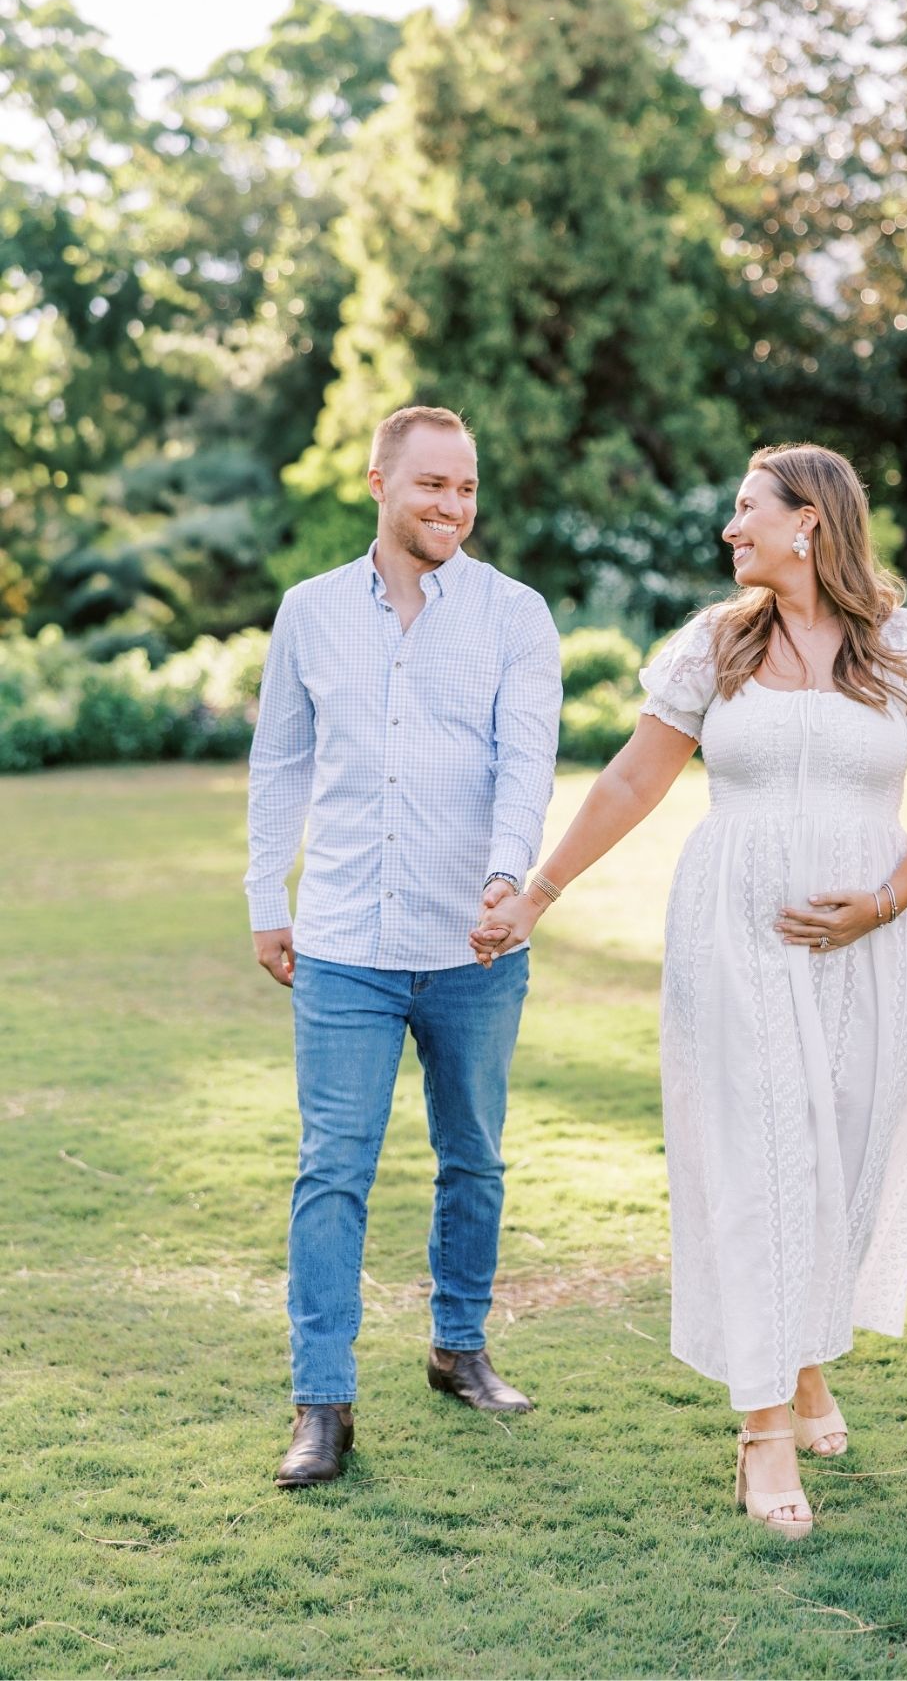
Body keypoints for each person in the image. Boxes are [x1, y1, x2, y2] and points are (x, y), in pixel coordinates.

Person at [471, 442, 907, 1539]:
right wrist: (542, 890)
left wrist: (882, 900)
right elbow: (633, 776)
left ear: (809, 521)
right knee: (757, 1157)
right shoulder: (716, 643)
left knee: (840, 1151)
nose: (728, 529)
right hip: (733, 932)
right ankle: (760, 1432)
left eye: (746, 510)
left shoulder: (905, 646)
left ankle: (804, 1359)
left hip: (872, 945)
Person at [245, 404, 562, 1489]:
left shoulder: (516, 616)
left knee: (472, 1154)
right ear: (378, 484)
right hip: (341, 937)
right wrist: (263, 896)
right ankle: (321, 1403)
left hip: (473, 943)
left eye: (467, 486)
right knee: (332, 1167)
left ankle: (457, 1345)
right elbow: (278, 764)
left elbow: (527, 761)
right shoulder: (310, 611)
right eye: (433, 484)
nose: (454, 506)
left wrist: (508, 873)